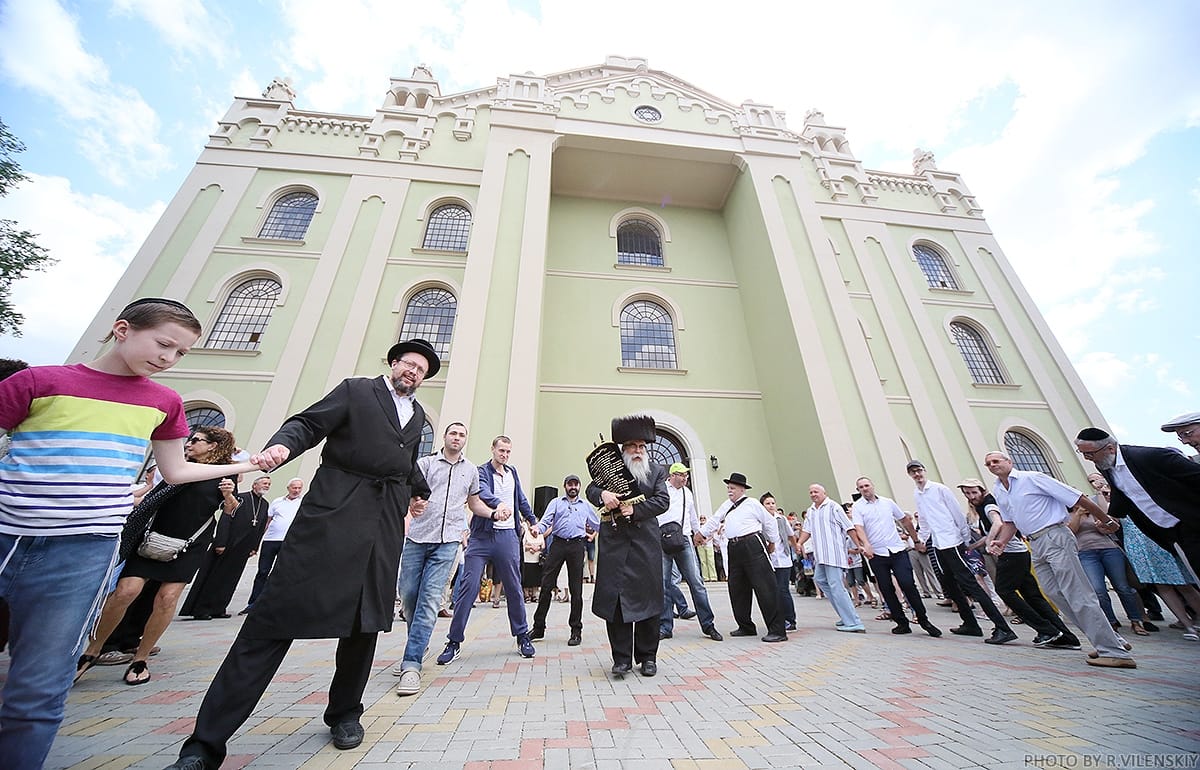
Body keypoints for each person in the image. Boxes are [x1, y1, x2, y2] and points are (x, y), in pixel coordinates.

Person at [0, 298, 257, 770]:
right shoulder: (39, 382)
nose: (168, 358)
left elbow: (176, 470)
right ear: (122, 329)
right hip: (8, 536)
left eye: (180, 353)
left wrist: (249, 464)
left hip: (82, 551)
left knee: (39, 685)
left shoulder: (164, 402)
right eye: (164, 344)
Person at [162, 337, 439, 770]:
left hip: (382, 525)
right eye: (409, 364)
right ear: (392, 363)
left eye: (422, 370)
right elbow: (308, 424)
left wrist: (417, 491)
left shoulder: (418, 414)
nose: (414, 373)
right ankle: (204, 744)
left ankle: (345, 713)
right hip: (334, 512)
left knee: (364, 624)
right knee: (275, 616)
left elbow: (405, 461)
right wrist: (282, 447)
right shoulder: (356, 390)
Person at [77, 428, 241, 685]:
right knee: (125, 592)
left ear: (213, 446)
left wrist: (229, 494)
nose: (189, 443)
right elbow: (151, 496)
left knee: (166, 598)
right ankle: (91, 651)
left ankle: (140, 658)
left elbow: (230, 510)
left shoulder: (224, 473)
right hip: (155, 536)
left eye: (196, 440)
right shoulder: (178, 467)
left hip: (190, 544)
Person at [983, 451, 1136, 669]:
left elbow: (1077, 497)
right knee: (1056, 594)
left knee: (1077, 592)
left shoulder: (1032, 478)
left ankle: (1114, 651)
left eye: (996, 461)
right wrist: (1003, 542)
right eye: (988, 463)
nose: (992, 465)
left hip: (1055, 536)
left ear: (1009, 462)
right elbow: (1010, 522)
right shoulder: (999, 489)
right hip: (1035, 543)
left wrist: (1107, 520)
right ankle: (1109, 639)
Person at [394, 421, 494, 696]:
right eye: (453, 433)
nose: (457, 438)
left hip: (448, 541)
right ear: (445, 437)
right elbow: (410, 492)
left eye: (462, 435)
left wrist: (493, 513)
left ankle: (411, 664)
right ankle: (419, 641)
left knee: (429, 599)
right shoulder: (426, 465)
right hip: (417, 537)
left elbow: (473, 503)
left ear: (465, 440)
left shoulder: (471, 470)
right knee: (409, 596)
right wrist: (413, 503)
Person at [437, 435, 537, 666]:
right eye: (501, 450)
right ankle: (453, 641)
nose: (504, 454)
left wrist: (532, 520)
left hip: (507, 537)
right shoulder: (480, 471)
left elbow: (520, 499)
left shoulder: (512, 473)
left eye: (507, 451)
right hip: (482, 537)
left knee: (513, 587)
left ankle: (522, 636)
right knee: (469, 586)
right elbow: (481, 493)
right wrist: (498, 505)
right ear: (492, 449)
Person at [588, 415, 670, 677]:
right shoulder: (609, 470)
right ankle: (621, 659)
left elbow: (662, 502)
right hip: (614, 545)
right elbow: (591, 488)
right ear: (623, 449)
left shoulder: (656, 472)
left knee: (649, 600)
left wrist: (634, 510)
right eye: (632, 446)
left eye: (641, 446)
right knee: (616, 603)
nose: (637, 451)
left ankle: (648, 657)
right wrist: (603, 495)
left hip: (645, 544)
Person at [956, 479, 1081, 649]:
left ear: (982, 491)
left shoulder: (988, 505)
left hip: (1012, 555)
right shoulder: (983, 505)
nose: (971, 496)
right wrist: (971, 547)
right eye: (967, 493)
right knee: (1033, 596)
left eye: (973, 492)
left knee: (1005, 591)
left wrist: (990, 542)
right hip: (1019, 554)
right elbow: (990, 532)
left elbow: (998, 523)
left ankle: (1047, 630)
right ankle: (1066, 636)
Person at [906, 460, 1016, 644]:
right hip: (938, 544)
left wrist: (965, 539)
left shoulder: (940, 489)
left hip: (952, 541)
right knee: (949, 584)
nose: (917, 474)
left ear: (924, 471)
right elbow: (924, 519)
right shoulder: (917, 494)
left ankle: (1003, 628)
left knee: (970, 584)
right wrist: (920, 539)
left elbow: (956, 513)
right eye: (913, 472)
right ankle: (970, 623)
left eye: (919, 470)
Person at [1075, 426, 1200, 580]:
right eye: (1082, 453)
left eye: (1089, 453)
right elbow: (1123, 493)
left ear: (1109, 448)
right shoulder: (1105, 465)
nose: (1087, 458)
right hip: (1167, 530)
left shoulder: (1149, 456)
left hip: (1190, 520)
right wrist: (1112, 517)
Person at [699, 472, 785, 642]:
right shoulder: (726, 505)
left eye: (732, 488)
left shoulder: (753, 504)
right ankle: (745, 626)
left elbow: (769, 522)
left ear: (742, 489)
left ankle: (777, 630)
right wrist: (701, 533)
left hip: (752, 543)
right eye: (728, 488)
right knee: (737, 587)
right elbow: (715, 520)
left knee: (765, 587)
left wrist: (772, 542)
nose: (729, 491)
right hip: (734, 546)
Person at [849, 477, 940, 636]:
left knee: (907, 583)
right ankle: (901, 622)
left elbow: (904, 520)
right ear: (858, 490)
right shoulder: (858, 507)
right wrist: (866, 544)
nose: (865, 489)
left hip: (897, 550)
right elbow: (858, 527)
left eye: (867, 485)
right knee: (886, 588)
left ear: (873, 486)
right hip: (877, 554)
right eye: (861, 487)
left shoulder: (887, 502)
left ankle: (923, 619)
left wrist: (916, 539)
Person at [180, 475, 273, 621]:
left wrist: (255, 547)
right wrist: (220, 542)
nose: (267, 486)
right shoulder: (239, 499)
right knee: (214, 577)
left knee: (230, 580)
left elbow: (261, 527)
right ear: (254, 485)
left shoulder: (265, 504)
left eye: (268, 484)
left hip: (243, 549)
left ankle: (219, 608)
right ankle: (201, 609)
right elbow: (226, 518)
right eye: (264, 483)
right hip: (227, 545)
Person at [530, 474, 599, 645]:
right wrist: (536, 529)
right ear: (565, 486)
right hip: (558, 545)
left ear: (579, 487)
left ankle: (576, 630)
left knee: (577, 591)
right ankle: (538, 628)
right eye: (570, 484)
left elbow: (598, 525)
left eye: (576, 484)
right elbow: (545, 522)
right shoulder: (555, 502)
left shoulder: (586, 506)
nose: (573, 487)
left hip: (577, 546)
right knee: (546, 586)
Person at [658, 464, 723, 642]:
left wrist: (698, 534)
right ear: (672, 476)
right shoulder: (662, 488)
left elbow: (693, 516)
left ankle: (708, 624)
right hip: (662, 538)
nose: (685, 478)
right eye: (681, 475)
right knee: (663, 584)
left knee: (697, 582)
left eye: (686, 475)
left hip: (684, 538)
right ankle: (665, 626)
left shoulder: (687, 492)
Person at [1066, 499, 1147, 635]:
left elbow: (1111, 528)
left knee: (1122, 587)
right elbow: (1071, 531)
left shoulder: (1094, 510)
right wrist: (1078, 514)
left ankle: (1135, 621)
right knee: (1098, 589)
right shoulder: (1065, 515)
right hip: (1085, 553)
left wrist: (1101, 525)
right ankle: (1111, 622)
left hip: (1109, 549)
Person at [796, 484, 867, 633]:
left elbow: (849, 527)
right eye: (811, 492)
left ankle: (854, 621)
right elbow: (806, 530)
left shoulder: (834, 507)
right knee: (820, 580)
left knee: (837, 587)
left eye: (816, 491)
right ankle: (845, 615)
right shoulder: (811, 511)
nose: (813, 494)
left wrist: (858, 544)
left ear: (824, 492)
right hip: (821, 556)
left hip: (834, 554)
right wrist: (799, 542)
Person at [241, 477, 304, 613]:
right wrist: (256, 543)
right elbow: (266, 522)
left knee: (284, 573)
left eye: (299, 488)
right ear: (288, 488)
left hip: (289, 542)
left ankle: (276, 604)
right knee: (263, 571)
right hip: (270, 540)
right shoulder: (277, 502)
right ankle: (253, 603)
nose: (297, 490)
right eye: (294, 487)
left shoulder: (303, 503)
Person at [761, 492, 797, 632]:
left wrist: (796, 547)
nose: (771, 506)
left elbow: (790, 535)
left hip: (783, 559)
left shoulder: (781, 519)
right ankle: (778, 619)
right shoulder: (761, 521)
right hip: (769, 561)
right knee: (773, 591)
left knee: (783, 590)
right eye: (767, 503)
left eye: (772, 503)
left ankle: (790, 619)